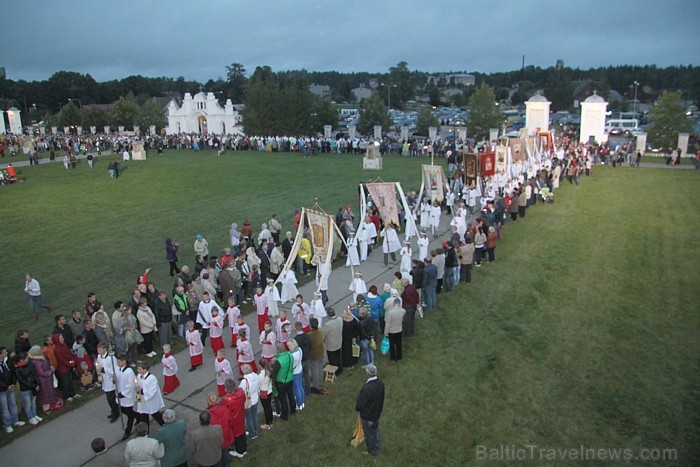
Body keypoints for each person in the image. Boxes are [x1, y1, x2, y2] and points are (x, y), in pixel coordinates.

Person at [355, 364, 385, 456]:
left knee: (369, 434)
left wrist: (358, 409)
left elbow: (360, 404)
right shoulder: (380, 382)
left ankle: (372, 451)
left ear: (367, 373)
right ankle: (377, 446)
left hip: (368, 415)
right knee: (375, 431)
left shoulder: (367, 388)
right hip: (376, 413)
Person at [28, 345, 58, 415]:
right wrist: (50, 371)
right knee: (44, 393)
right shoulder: (36, 362)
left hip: (47, 378)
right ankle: (46, 408)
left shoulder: (40, 358)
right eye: (39, 350)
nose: (41, 351)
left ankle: (51, 404)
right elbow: (40, 372)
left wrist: (50, 368)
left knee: (49, 391)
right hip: (43, 380)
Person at [222, 379, 247, 459]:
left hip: (233, 419)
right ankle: (244, 449)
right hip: (241, 415)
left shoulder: (226, 399)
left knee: (236, 435)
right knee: (242, 432)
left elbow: (225, 410)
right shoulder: (241, 392)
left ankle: (240, 452)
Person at [206, 392, 233, 466]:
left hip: (215, 439)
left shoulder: (208, 415)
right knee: (225, 452)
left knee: (217, 456)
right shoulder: (225, 409)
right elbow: (231, 421)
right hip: (225, 435)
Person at [135, 361, 165, 429]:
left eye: (139, 369)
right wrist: (138, 397)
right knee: (143, 417)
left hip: (151, 401)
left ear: (145, 369)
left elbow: (152, 392)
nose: (137, 370)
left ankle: (164, 426)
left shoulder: (152, 378)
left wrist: (141, 390)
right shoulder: (139, 376)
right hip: (142, 401)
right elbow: (137, 386)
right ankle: (145, 433)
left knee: (156, 416)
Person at [96, 342, 120, 423]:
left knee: (111, 399)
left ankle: (116, 412)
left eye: (100, 350)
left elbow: (114, 370)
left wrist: (102, 370)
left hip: (110, 380)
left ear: (105, 349)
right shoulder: (99, 356)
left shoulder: (111, 358)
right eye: (98, 350)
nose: (98, 352)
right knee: (109, 398)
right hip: (104, 379)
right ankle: (114, 411)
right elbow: (98, 365)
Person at [14, 352, 41, 425]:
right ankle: (30, 418)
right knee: (28, 404)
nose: (28, 359)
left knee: (33, 403)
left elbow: (34, 374)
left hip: (33, 386)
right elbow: (22, 380)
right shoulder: (18, 369)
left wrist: (37, 383)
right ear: (21, 360)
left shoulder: (30, 364)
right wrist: (33, 385)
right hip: (25, 389)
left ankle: (34, 415)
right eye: (26, 358)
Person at [272, 343, 296, 420]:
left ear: (278, 350)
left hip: (281, 382)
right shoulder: (290, 355)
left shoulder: (278, 361)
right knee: (291, 395)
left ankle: (284, 415)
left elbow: (274, 373)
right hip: (290, 378)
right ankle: (293, 409)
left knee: (283, 399)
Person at [240, 363, 260, 439]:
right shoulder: (256, 376)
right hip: (255, 398)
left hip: (248, 401)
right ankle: (256, 431)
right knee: (254, 415)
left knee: (249, 417)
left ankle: (252, 433)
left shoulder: (244, 381)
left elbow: (240, 390)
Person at [308, 318, 326, 395]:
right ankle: (320, 382)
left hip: (313, 354)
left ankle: (316, 386)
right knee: (320, 367)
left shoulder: (310, 334)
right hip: (321, 351)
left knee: (315, 370)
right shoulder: (321, 331)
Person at [323, 308, 343, 375]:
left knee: (333, 360)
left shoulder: (328, 325)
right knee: (338, 357)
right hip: (338, 342)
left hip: (331, 345)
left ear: (328, 316)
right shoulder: (339, 319)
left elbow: (324, 335)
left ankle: (335, 372)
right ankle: (340, 369)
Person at [286, 339, 304, 411]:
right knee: (300, 386)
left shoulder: (292, 355)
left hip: (295, 373)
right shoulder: (299, 349)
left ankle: (299, 404)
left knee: (297, 389)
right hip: (300, 370)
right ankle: (302, 400)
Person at [258, 359, 274, 430]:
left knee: (266, 408)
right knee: (269, 407)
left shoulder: (261, 375)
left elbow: (258, 384)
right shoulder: (269, 372)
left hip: (263, 392)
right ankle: (271, 421)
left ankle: (268, 424)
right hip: (269, 391)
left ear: (260, 366)